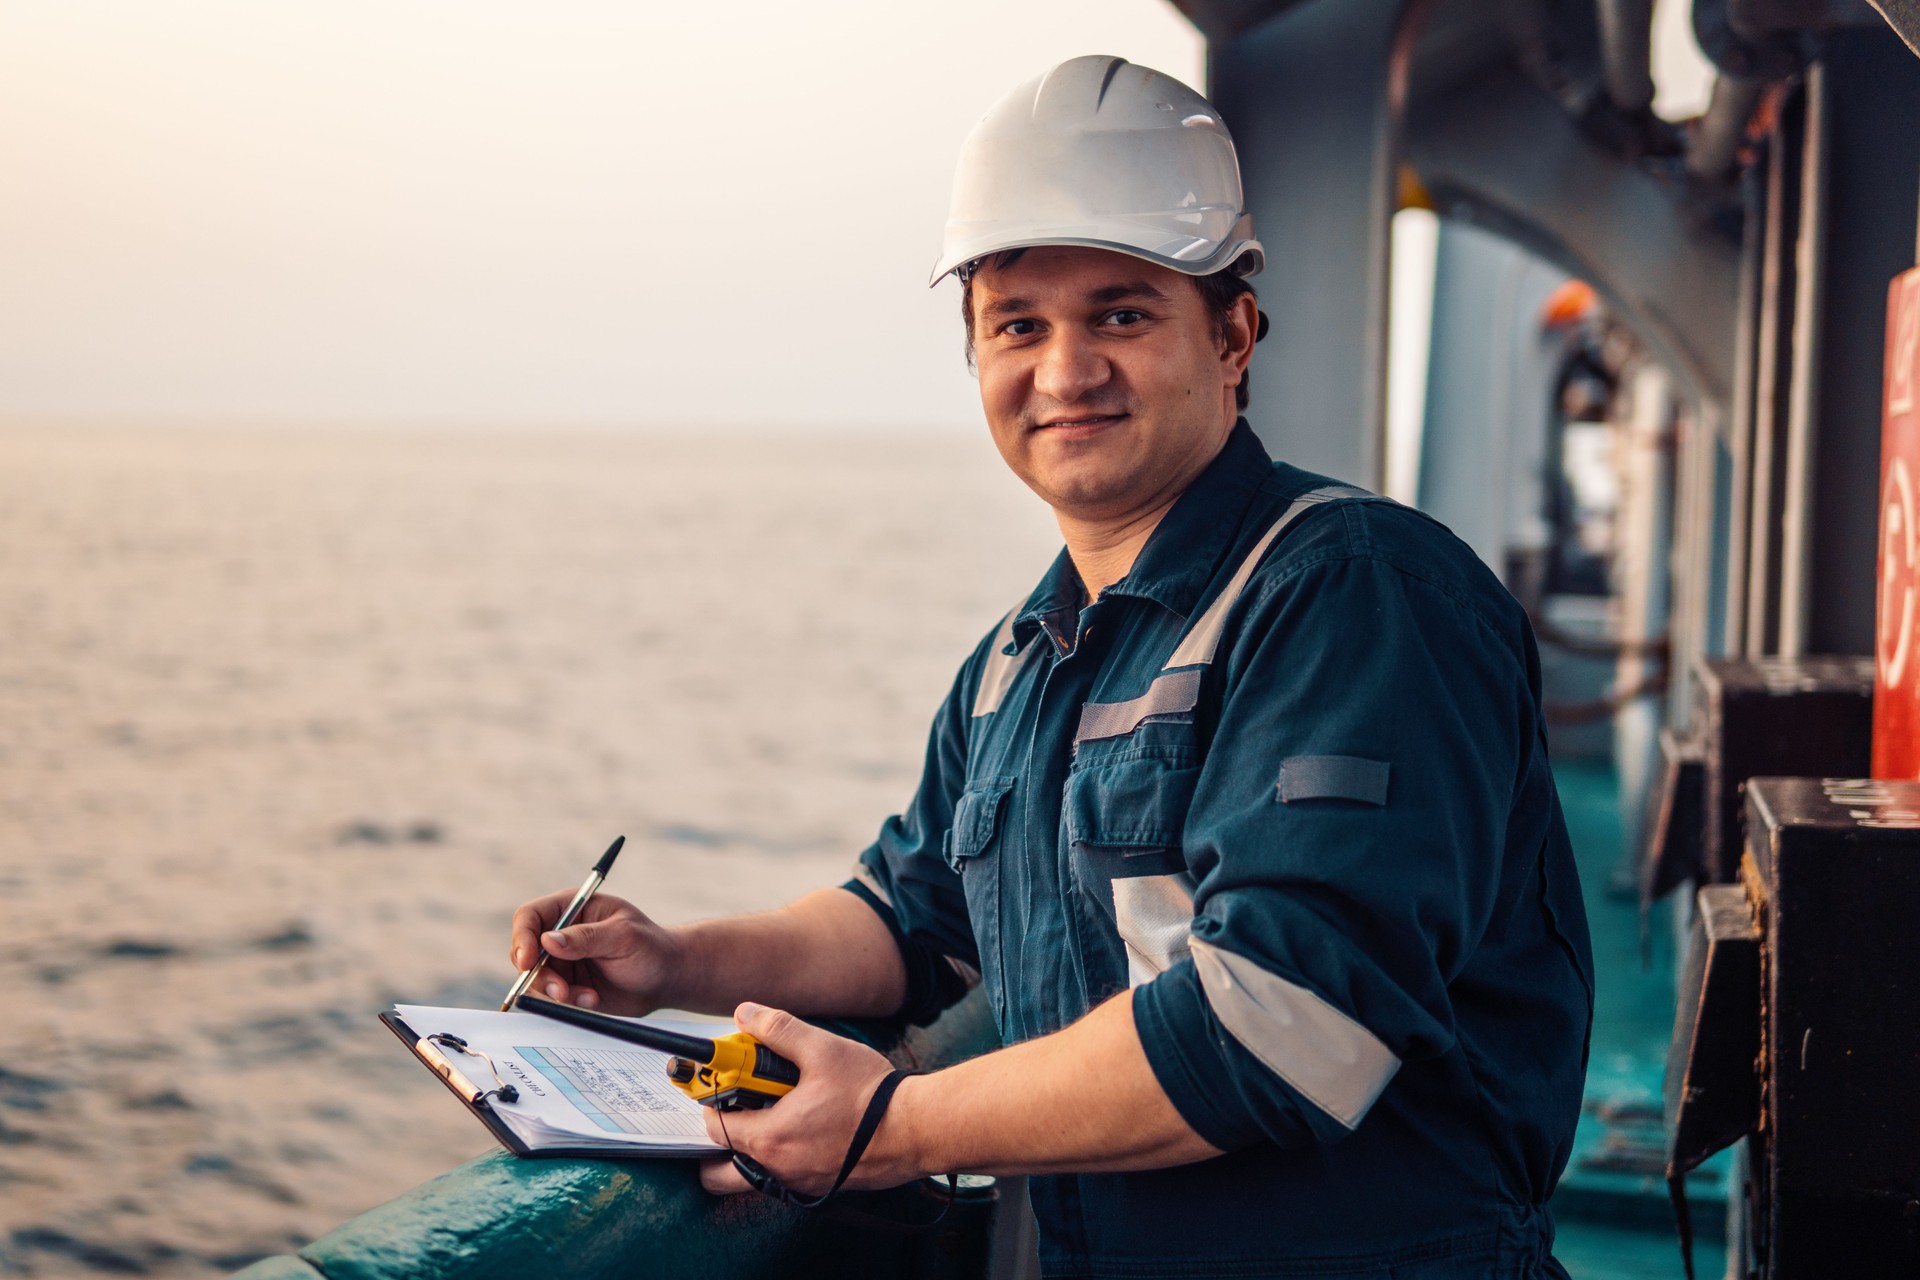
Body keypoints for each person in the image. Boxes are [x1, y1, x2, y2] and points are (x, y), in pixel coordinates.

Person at [510, 55, 1594, 1279]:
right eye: (1017, 324)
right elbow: (912, 919)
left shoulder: (1353, 592)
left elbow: (1287, 1024)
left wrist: (889, 1123)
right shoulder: (1015, 665)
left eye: (1121, 314)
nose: (1065, 370)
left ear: (1233, 332)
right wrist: (676, 961)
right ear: (974, 355)